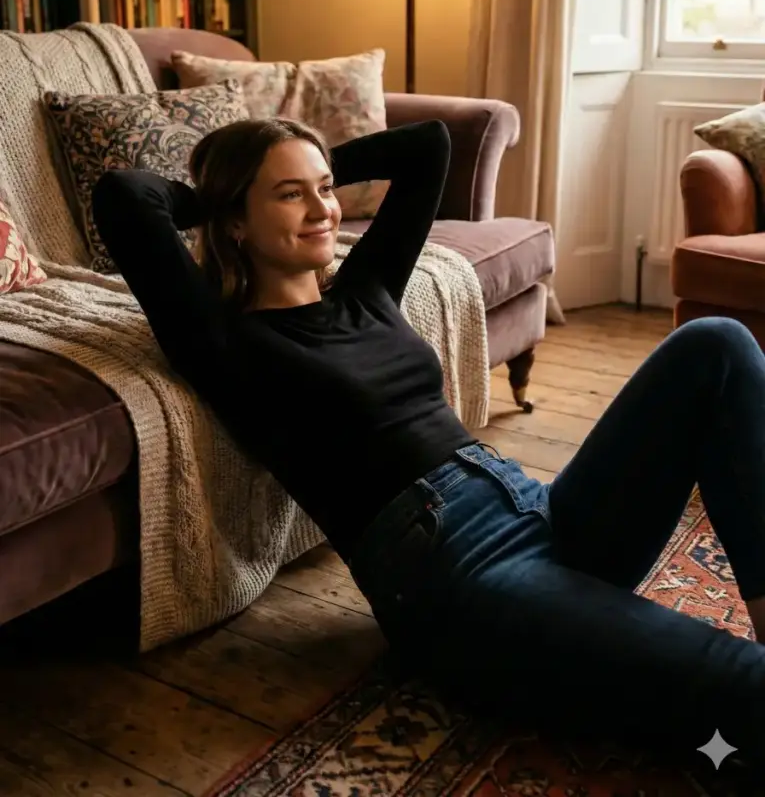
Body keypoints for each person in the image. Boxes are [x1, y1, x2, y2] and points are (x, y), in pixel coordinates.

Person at [92, 116, 765, 772]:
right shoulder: (222, 340)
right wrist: (216, 195)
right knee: (739, 682)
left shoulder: (365, 292)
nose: (323, 209)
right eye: (290, 195)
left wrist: (302, 160)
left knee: (716, 344)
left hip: (538, 511)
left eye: (325, 188)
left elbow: (427, 147)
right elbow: (124, 195)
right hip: (458, 578)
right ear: (235, 222)